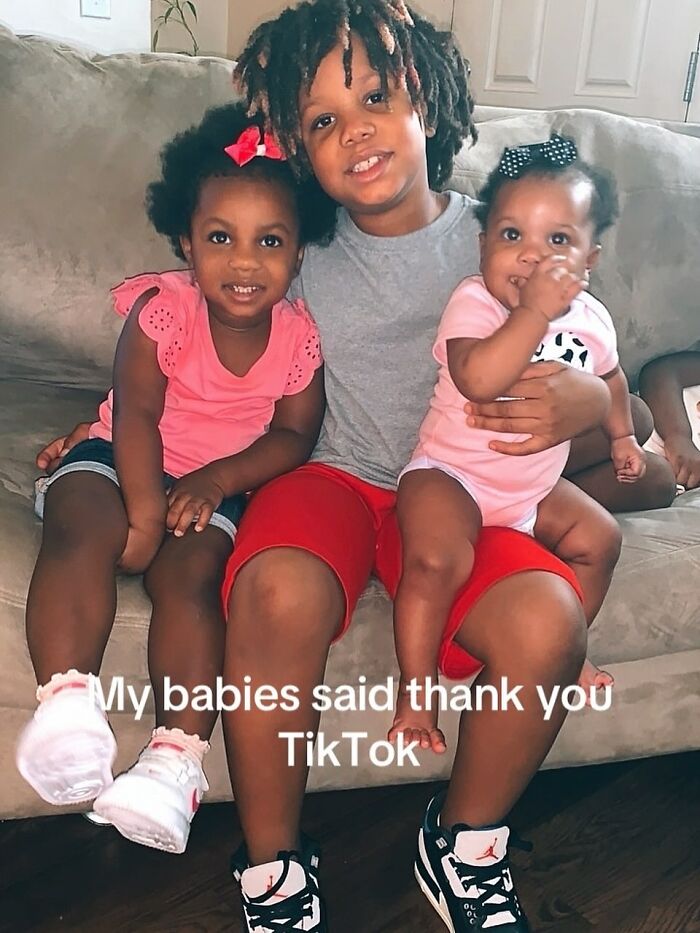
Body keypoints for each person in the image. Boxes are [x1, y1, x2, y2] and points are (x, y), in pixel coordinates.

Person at [37, 2, 675, 930]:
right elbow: (198, 331)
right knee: (272, 594)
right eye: (325, 120)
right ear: (298, 146)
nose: (357, 131)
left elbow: (608, 375)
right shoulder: (299, 251)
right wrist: (89, 427)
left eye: (375, 95)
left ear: (426, 96)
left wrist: (588, 409)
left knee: (547, 621)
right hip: (330, 478)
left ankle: (462, 845)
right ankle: (271, 866)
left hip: (467, 499)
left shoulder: (507, 238)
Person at [17, 101, 333, 856]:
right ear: (186, 241)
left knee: (194, 583)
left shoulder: (298, 337)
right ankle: (66, 703)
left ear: (298, 255)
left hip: (212, 487)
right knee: (82, 525)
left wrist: (217, 482)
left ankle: (173, 763)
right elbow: (134, 412)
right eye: (220, 238)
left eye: (270, 241)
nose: (245, 261)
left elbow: (295, 435)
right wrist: (144, 508)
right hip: (119, 456)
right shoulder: (164, 309)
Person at [389, 135, 644, 752]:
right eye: (511, 236)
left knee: (600, 538)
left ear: (590, 260)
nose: (531, 258)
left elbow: (610, 377)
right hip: (450, 476)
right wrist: (532, 314)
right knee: (433, 559)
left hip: (532, 488)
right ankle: (416, 689)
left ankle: (568, 651)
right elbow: (477, 378)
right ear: (482, 247)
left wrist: (623, 437)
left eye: (558, 242)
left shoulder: (592, 318)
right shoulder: (474, 304)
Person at [639, 349, 700, 490]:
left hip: (649, 476)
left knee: (659, 479)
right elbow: (658, 373)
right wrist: (678, 436)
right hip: (624, 427)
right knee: (637, 417)